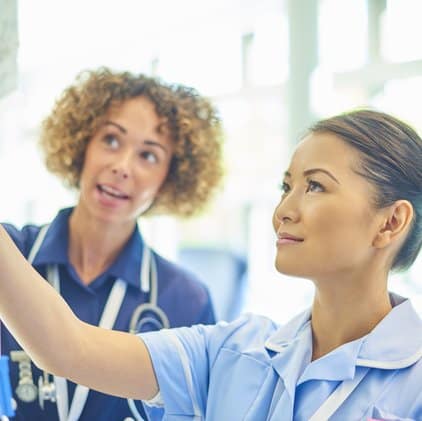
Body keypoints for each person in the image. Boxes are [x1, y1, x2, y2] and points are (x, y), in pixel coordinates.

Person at [0, 109, 421, 420]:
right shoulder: (230, 351)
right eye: (285, 186)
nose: (283, 211)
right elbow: (67, 348)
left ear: (391, 222)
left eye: (314, 186)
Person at [1, 67, 224, 421]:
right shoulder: (10, 254)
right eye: (110, 140)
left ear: (171, 177)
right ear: (81, 144)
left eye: (148, 155)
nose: (122, 166)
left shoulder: (186, 300)